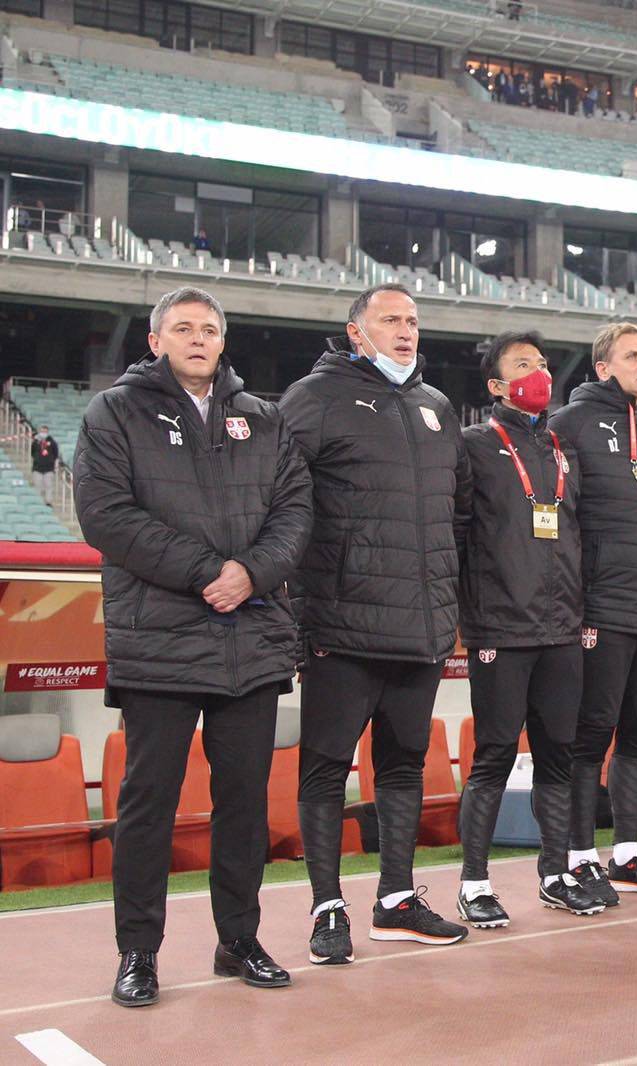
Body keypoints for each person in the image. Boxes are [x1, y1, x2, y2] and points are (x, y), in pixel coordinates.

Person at [76, 286, 312, 1007]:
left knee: (243, 806)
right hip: (160, 640)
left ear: (222, 340)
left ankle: (238, 939)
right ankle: (138, 953)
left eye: (209, 328)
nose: (199, 338)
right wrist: (210, 572)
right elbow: (105, 515)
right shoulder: (115, 411)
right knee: (149, 805)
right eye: (183, 328)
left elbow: (296, 510)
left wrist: (252, 573)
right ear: (155, 341)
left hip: (250, 638)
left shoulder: (263, 417)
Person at [281, 283, 473, 965]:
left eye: (413, 320)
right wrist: (298, 613)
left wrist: (447, 604)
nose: (406, 331)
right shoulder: (313, 398)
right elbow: (281, 504)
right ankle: (326, 907)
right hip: (342, 626)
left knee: (402, 766)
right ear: (355, 332)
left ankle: (395, 899)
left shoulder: (436, 406)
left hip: (420, 628)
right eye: (390, 319)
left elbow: (456, 515)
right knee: (326, 767)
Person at [454, 330, 603, 925]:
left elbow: (576, 534)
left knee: (557, 755)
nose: (539, 373)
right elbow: (458, 534)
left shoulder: (562, 449)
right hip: (501, 629)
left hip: (561, 628)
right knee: (493, 756)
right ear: (497, 385)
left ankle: (555, 872)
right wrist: (470, 614)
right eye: (523, 365)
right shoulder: (474, 446)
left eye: (542, 363)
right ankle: (474, 883)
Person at [548, 323, 637, 899]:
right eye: (632, 355)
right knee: (590, 734)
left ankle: (627, 853)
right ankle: (579, 855)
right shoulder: (570, 424)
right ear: (603, 367)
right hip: (603, 607)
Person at [30, 422, 60, 500]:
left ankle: (48, 501)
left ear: (47, 432)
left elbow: (56, 454)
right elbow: (32, 453)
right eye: (42, 431)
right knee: (37, 486)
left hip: (49, 468)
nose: (43, 433)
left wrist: (55, 465)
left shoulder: (52, 442)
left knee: (49, 486)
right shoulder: (35, 442)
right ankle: (37, 501)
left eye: (45, 432)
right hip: (37, 468)